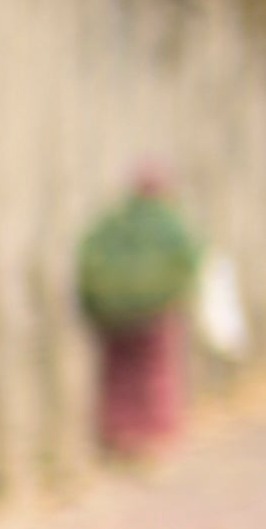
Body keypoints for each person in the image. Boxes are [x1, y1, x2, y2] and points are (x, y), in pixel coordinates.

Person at [76, 164, 204, 459]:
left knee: (118, 375)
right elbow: (190, 262)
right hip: (156, 313)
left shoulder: (112, 223)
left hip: (112, 315)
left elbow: (87, 256)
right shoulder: (170, 223)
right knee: (156, 374)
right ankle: (153, 436)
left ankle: (118, 433)